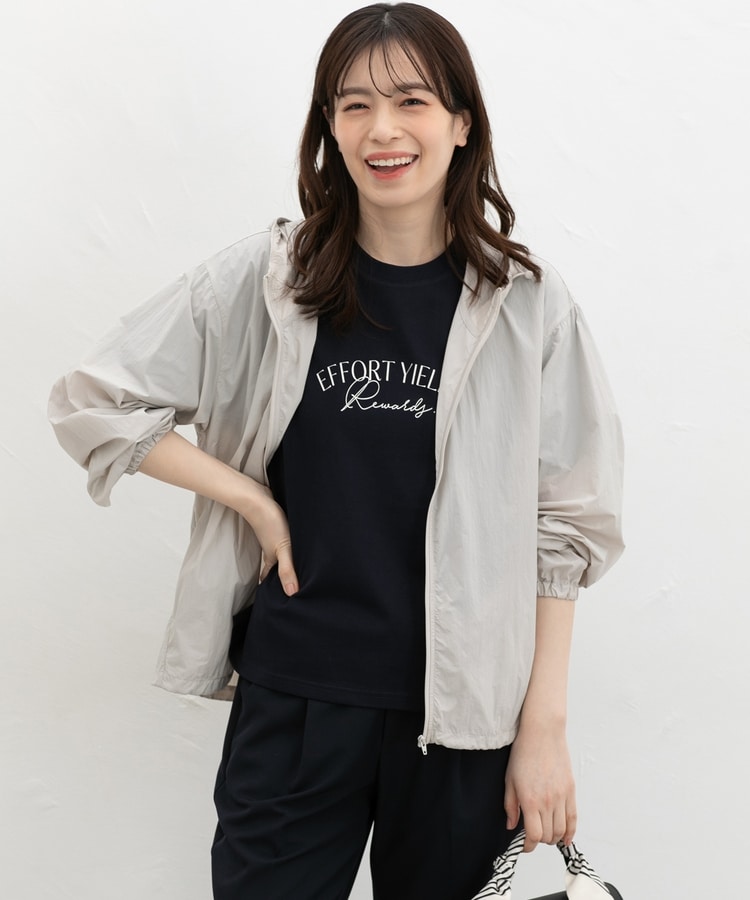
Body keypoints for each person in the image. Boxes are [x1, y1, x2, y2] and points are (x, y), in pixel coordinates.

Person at [48, 3, 624, 898]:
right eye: (354, 105)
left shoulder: (528, 307)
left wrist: (543, 730)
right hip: (297, 699)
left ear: (461, 123)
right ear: (329, 127)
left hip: (464, 720)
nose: (382, 129)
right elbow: (93, 398)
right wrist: (250, 498)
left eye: (411, 101)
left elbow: (567, 531)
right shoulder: (269, 278)